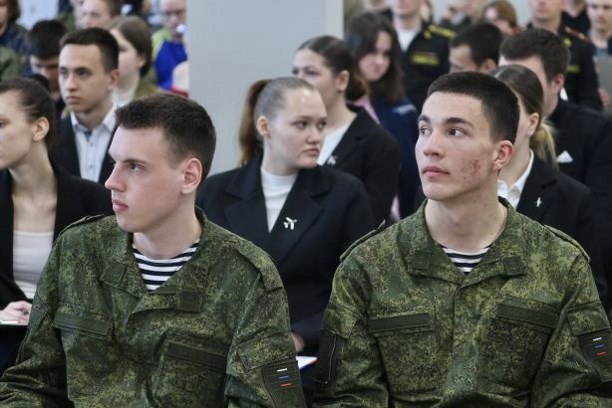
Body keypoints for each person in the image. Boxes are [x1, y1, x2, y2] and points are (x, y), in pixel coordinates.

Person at [312, 71, 612, 406]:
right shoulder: (367, 267)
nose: (430, 147)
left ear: (501, 154)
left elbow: (582, 393)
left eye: (455, 131)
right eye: (424, 130)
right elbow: (348, 396)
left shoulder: (559, 265)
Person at [0, 92, 307, 407]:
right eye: (114, 163)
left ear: (189, 176)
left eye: (134, 167)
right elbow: (32, 383)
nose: (112, 181)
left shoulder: (247, 277)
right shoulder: (78, 250)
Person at [199, 77, 375, 404]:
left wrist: (299, 336)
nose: (316, 136)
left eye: (321, 125)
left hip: (312, 361)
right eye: (302, 124)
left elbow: (362, 290)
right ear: (265, 126)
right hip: (225, 357)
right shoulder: (215, 192)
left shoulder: (345, 193)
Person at [0, 76, 112, 373]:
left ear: (39, 127)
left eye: (1, 124)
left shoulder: (96, 200)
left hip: (75, 358)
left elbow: (111, 292)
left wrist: (48, 315)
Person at [500, 28, 612, 310]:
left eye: (526, 77)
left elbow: (600, 230)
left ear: (557, 82)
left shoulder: (595, 132)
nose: (510, 85)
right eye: (504, 73)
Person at [291, 35, 400, 224]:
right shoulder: (287, 132)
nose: (299, 82)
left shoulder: (378, 143)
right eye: (295, 72)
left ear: (342, 80)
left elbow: (370, 220)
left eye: (311, 72)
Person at [345, 12, 419, 217]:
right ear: (354, 50)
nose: (379, 61)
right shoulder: (339, 104)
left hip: (401, 215)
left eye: (386, 54)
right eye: (371, 52)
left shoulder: (401, 106)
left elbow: (412, 172)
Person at [51, 27, 119, 184]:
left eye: (82, 73)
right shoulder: (48, 140)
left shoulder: (137, 136)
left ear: (112, 79)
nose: (69, 85)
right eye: (64, 73)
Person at [528, 0, 603, 111]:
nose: (541, 2)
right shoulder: (513, 43)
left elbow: (590, 99)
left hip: (570, 116)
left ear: (563, 3)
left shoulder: (580, 45)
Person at [390, 0, 454, 112]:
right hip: (380, 118)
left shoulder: (442, 41)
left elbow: (448, 87)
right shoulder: (376, 37)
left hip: (426, 116)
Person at [109, 16, 160, 107]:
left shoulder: (160, 103)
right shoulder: (91, 97)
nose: (111, 55)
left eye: (121, 50)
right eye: (108, 48)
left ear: (141, 59)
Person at [23, 20, 67, 120]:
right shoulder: (20, 91)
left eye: (53, 66)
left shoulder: (81, 88)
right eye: (38, 66)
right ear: (28, 59)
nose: (46, 75)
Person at [152, 0, 187, 90]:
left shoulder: (202, 41)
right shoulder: (154, 42)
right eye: (167, 14)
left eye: (179, 12)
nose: (173, 20)